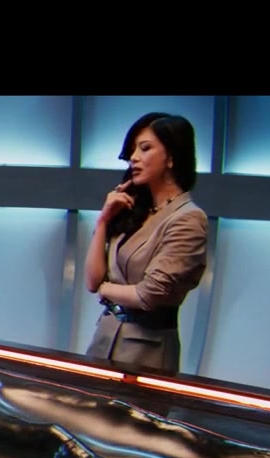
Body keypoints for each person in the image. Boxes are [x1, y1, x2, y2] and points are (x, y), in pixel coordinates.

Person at [84, 112, 208, 375]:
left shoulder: (188, 219)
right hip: (104, 340)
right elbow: (92, 281)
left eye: (145, 148)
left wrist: (106, 289)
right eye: (132, 150)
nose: (134, 158)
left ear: (171, 157)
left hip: (146, 352)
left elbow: (148, 295)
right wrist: (103, 221)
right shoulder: (135, 209)